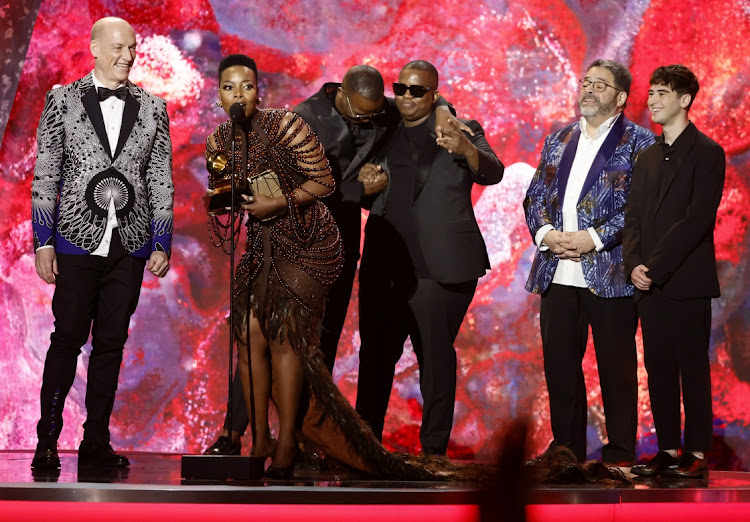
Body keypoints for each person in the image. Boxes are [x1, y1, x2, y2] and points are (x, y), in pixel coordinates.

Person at [204, 65, 463, 457]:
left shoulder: (380, 108)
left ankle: (306, 437)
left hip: (338, 246)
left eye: (374, 114)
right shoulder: (303, 119)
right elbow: (295, 187)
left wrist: (444, 113)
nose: (370, 120)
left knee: (320, 346)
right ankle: (233, 430)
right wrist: (360, 188)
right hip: (291, 241)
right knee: (263, 336)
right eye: (361, 114)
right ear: (342, 93)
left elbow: (430, 100)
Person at [30, 17, 173, 470]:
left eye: (132, 47)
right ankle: (47, 441)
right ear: (93, 47)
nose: (127, 55)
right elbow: (46, 173)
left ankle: (95, 443)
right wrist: (42, 241)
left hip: (129, 244)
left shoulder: (153, 107)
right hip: (74, 241)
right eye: (118, 47)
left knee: (111, 344)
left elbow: (161, 178)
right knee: (68, 337)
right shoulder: (62, 99)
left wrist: (161, 239)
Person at [355, 60, 504, 456]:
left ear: (434, 95)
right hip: (384, 266)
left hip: (439, 269)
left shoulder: (460, 128)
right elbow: (359, 190)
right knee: (374, 360)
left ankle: (433, 452)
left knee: (435, 361)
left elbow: (493, 172)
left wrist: (466, 147)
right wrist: (364, 189)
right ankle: (363, 448)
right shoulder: (382, 131)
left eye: (417, 91)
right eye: (400, 88)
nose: (405, 96)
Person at [523, 59, 654, 466]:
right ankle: (566, 449)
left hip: (610, 271)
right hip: (557, 269)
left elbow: (639, 207)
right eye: (586, 82)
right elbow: (534, 197)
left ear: (620, 98)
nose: (590, 89)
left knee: (616, 369)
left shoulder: (640, 143)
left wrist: (592, 239)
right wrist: (547, 235)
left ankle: (619, 453)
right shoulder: (559, 138)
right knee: (560, 367)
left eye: (601, 84)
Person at [624, 65, 724, 479]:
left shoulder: (707, 152)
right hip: (648, 283)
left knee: (691, 366)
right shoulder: (646, 156)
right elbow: (633, 220)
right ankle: (666, 449)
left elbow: (697, 219)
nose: (652, 100)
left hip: (685, 279)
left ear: (684, 99)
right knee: (658, 367)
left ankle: (697, 453)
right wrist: (633, 266)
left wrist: (655, 266)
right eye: (650, 92)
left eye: (661, 92)